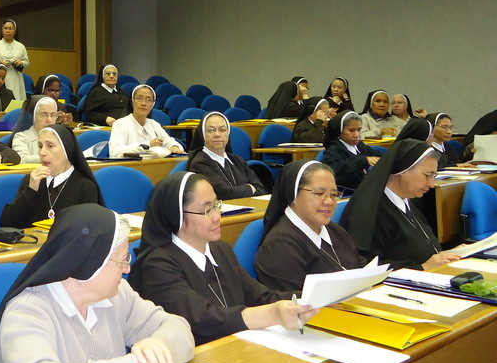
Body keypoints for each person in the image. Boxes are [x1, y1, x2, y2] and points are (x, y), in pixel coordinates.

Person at [0, 203, 194, 363]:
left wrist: (155, 350)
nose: (127, 269)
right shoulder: (26, 311)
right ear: (91, 262)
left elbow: (179, 329)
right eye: (123, 260)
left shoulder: (117, 295)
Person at [129, 172, 316, 344]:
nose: (217, 216)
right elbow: (202, 319)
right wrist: (272, 314)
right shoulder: (156, 265)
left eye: (217, 206)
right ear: (176, 215)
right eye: (207, 210)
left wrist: (311, 298)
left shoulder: (220, 250)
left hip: (237, 345)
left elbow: (260, 296)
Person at [340, 139, 462, 270]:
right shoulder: (370, 211)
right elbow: (368, 266)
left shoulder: (406, 200)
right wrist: (422, 267)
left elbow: (421, 248)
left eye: (434, 176)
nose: (431, 184)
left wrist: (450, 254)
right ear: (403, 170)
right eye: (427, 175)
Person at [255, 160, 365, 292]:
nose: (329, 201)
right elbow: (294, 300)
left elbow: (359, 267)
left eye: (334, 194)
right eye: (319, 193)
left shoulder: (336, 231)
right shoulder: (278, 246)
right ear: (293, 194)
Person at [0, 124, 105, 228]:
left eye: (50, 146)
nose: (42, 153)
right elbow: (7, 224)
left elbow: (89, 230)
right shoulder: (31, 181)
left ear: (67, 149)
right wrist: (30, 191)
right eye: (40, 146)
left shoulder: (85, 187)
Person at [187, 112, 265, 199]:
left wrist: (239, 191)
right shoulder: (199, 163)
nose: (217, 134)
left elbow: (261, 189)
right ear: (202, 134)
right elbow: (224, 193)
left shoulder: (237, 160)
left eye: (222, 130)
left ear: (228, 133)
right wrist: (249, 188)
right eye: (211, 130)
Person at [109, 85, 183, 157]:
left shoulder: (154, 124)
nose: (143, 103)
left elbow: (170, 142)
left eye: (148, 100)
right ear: (132, 101)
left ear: (152, 104)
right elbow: (114, 152)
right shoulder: (120, 124)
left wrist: (175, 147)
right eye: (139, 98)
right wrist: (147, 145)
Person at [321, 111, 382, 194]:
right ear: (340, 131)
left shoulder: (360, 146)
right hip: (347, 195)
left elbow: (378, 155)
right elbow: (334, 173)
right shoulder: (333, 151)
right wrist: (362, 160)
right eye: (351, 130)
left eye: (359, 130)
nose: (356, 135)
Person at [0, 19, 29, 100]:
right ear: (2, 30)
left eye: (10, 28)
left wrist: (21, 63)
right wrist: (0, 64)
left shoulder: (21, 46)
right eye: (5, 28)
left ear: (15, 31)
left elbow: (27, 62)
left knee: (16, 99)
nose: (8, 31)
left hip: (16, 78)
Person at [9, 96, 58, 163]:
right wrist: (53, 157)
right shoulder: (22, 137)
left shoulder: (61, 137)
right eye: (44, 115)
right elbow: (21, 160)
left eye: (53, 115)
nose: (49, 120)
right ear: (33, 117)